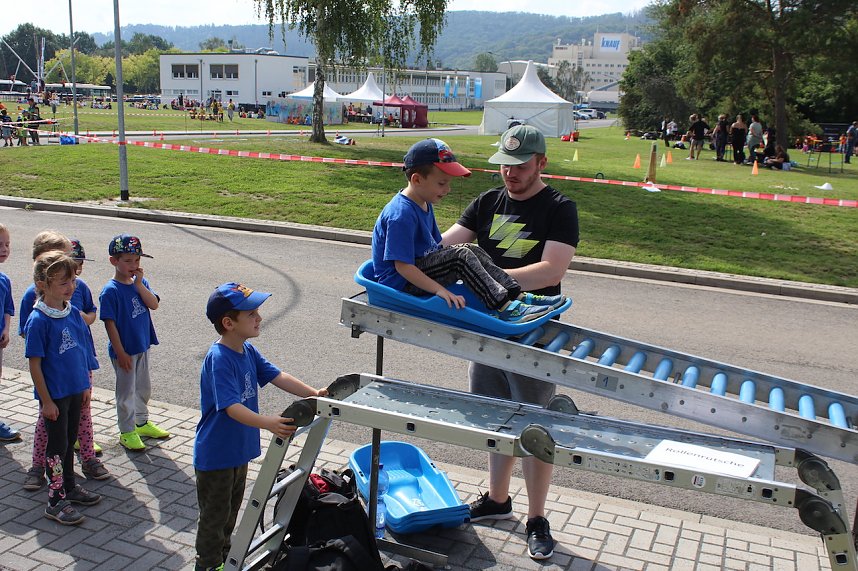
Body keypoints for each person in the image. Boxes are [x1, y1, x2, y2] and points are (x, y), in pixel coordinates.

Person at [441, 125, 579, 560]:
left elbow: (551, 271)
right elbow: (444, 247)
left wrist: (485, 278)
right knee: (492, 419)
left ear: (541, 163)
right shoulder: (486, 202)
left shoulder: (559, 207)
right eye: (504, 163)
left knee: (536, 429)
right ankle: (498, 501)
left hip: (532, 334)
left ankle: (537, 519)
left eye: (520, 165)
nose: (509, 173)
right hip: (486, 333)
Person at [193, 282, 328, 571]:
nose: (259, 318)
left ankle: (224, 560)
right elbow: (231, 407)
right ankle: (206, 564)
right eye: (252, 313)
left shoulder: (247, 350)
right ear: (229, 323)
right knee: (214, 518)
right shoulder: (219, 359)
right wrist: (268, 423)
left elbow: (278, 376)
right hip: (216, 455)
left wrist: (313, 393)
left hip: (237, 451)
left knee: (229, 514)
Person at [371, 138, 563, 323]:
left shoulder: (423, 202)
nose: (448, 190)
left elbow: (435, 246)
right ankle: (506, 308)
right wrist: (439, 290)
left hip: (418, 268)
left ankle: (518, 295)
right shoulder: (401, 214)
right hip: (400, 283)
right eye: (441, 183)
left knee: (471, 249)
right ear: (417, 179)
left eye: (448, 183)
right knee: (460, 256)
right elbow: (402, 267)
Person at [21, 234, 109, 490]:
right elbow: (35, 358)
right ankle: (54, 492)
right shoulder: (38, 316)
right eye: (64, 280)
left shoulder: (70, 307)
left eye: (72, 278)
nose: (71, 285)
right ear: (43, 281)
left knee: (68, 442)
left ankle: (68, 485)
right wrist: (46, 400)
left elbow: (80, 347)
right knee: (56, 447)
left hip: (75, 385)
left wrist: (83, 384)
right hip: (54, 390)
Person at [99, 234, 169, 451]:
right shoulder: (110, 291)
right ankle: (127, 431)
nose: (133, 265)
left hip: (142, 345)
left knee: (143, 388)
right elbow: (109, 324)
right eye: (127, 261)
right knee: (126, 393)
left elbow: (154, 304)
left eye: (137, 260)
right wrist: (120, 352)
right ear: (114, 261)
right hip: (125, 351)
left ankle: (141, 422)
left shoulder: (141, 283)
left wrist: (139, 284)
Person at [0, 223, 21, 443]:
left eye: (7, 244)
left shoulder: (4, 280)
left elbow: (8, 308)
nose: (4, 249)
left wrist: (6, 329)